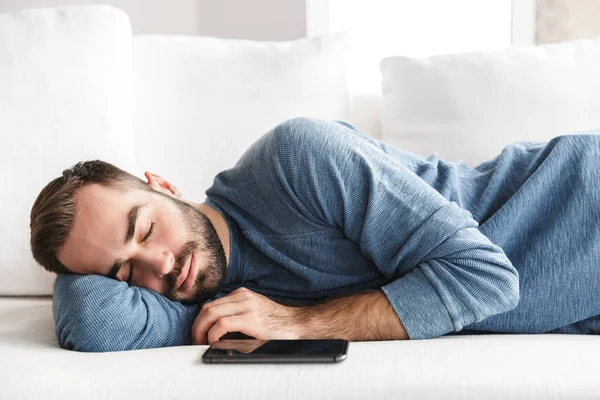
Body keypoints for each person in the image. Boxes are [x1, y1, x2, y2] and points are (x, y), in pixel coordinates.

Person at [29, 118, 600, 349]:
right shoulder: (206, 299)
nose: (158, 263)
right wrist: (92, 267)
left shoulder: (293, 159)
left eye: (145, 227)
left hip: (576, 199)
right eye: (125, 272)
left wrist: (300, 322)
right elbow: (91, 317)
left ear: (164, 184)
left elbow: (488, 279)